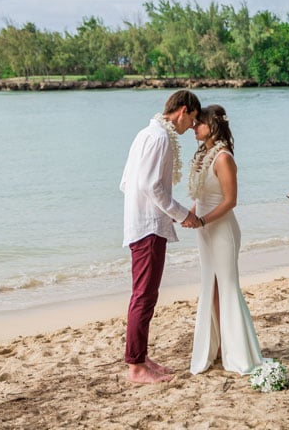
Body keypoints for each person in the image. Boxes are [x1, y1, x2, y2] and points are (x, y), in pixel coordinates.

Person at [120, 89, 201, 384]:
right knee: (144, 296)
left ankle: (140, 357)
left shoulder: (146, 133)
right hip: (149, 226)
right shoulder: (160, 138)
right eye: (191, 120)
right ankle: (136, 366)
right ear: (182, 110)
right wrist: (182, 214)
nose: (191, 127)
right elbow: (152, 186)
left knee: (145, 295)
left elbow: (126, 182)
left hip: (141, 222)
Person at [182, 105, 263, 375]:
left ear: (212, 126)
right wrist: (190, 214)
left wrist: (204, 220)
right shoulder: (204, 155)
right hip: (204, 230)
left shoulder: (223, 157)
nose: (194, 127)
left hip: (222, 230)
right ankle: (216, 347)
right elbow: (201, 196)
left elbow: (230, 200)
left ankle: (237, 351)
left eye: (199, 123)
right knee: (211, 287)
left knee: (226, 286)